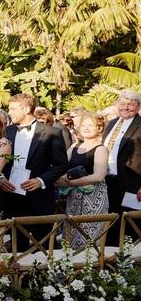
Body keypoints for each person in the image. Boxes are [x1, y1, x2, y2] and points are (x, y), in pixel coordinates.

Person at [0, 93, 68, 221]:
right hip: (11, 196)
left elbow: (61, 165)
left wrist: (40, 180)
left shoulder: (52, 133)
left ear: (26, 109)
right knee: (17, 240)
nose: (9, 112)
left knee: (42, 239)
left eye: (13, 109)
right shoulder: (6, 131)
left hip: (39, 197)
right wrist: (0, 178)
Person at [59, 114, 109, 250]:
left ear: (99, 128)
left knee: (89, 237)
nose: (86, 128)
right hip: (73, 198)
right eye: (84, 125)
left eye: (90, 125)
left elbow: (98, 176)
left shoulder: (101, 149)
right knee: (70, 235)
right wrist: (62, 177)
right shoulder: (74, 146)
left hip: (93, 199)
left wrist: (70, 183)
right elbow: (63, 167)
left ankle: (89, 268)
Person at [102, 90, 141, 219]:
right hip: (107, 182)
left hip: (132, 185)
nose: (125, 107)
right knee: (110, 224)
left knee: (130, 226)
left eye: (131, 104)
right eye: (122, 103)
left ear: (139, 106)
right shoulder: (111, 123)